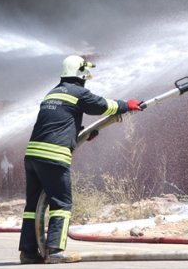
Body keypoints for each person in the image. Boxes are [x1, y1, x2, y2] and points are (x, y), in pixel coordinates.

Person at [19, 55, 142, 264]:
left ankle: (28, 252)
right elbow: (102, 105)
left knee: (32, 207)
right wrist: (125, 105)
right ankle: (55, 251)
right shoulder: (78, 92)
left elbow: (57, 123)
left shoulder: (53, 93)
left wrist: (79, 132)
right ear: (81, 72)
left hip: (33, 156)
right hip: (54, 156)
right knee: (61, 203)